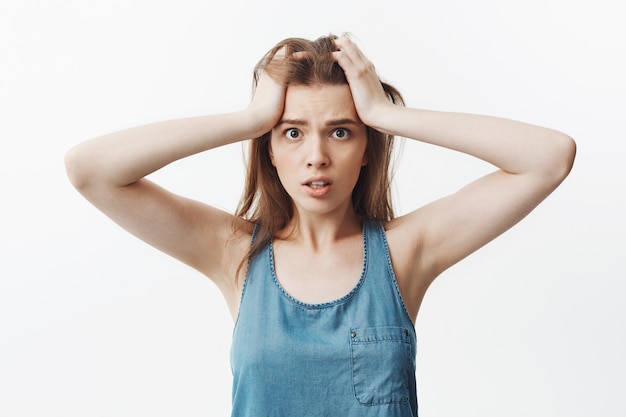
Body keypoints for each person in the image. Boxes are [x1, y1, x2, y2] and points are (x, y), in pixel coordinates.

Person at [64, 34, 576, 417]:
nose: (316, 156)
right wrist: (250, 119)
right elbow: (92, 171)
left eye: (340, 131)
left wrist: (383, 112)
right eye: (292, 133)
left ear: (366, 150)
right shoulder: (234, 254)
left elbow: (549, 157)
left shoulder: (405, 252)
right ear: (270, 147)